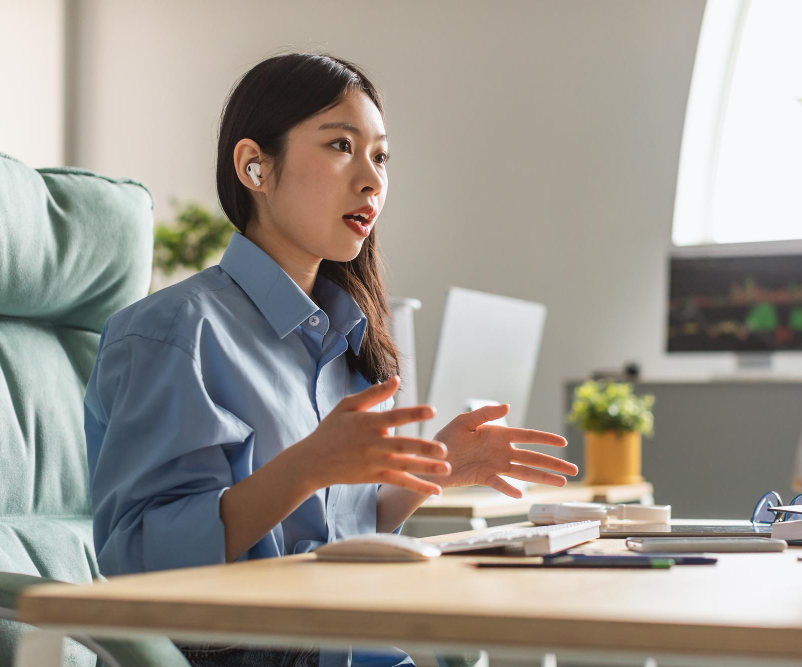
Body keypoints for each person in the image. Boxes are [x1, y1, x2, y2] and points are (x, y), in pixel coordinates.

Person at [83, 52, 578, 667]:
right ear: (254, 166)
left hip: (342, 638)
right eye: (342, 145)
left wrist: (431, 474)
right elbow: (137, 560)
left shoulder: (345, 337)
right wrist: (307, 467)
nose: (372, 180)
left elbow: (337, 532)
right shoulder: (172, 333)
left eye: (381, 156)